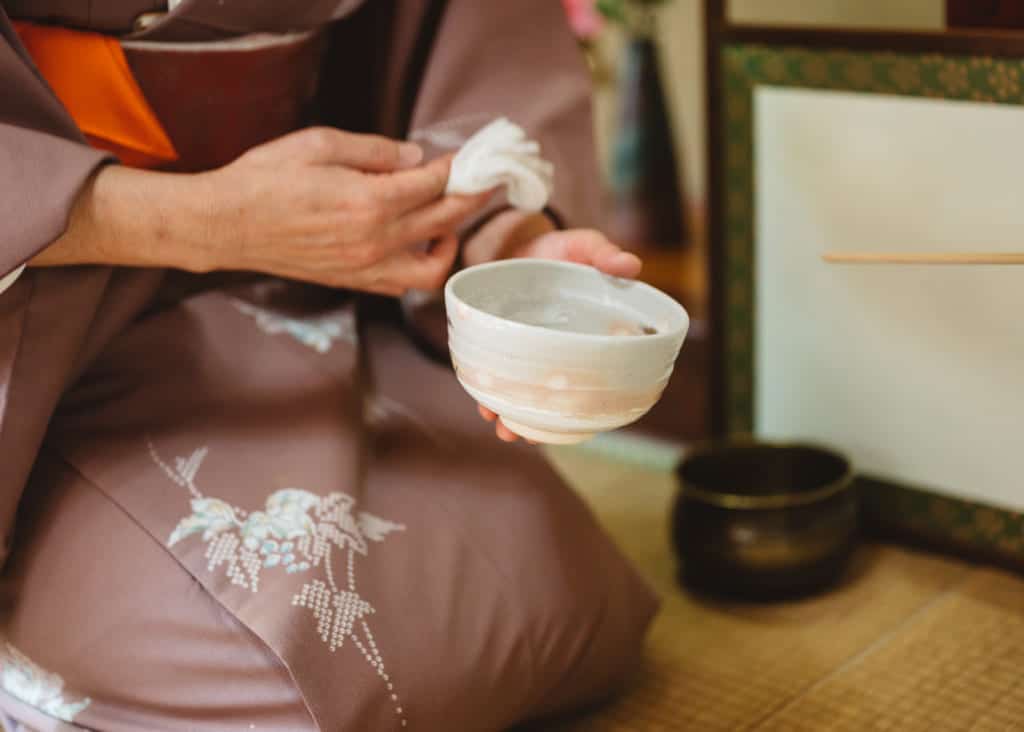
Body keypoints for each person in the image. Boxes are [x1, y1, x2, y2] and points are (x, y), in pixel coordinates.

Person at [0, 1, 659, 729]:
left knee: (563, 596)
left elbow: (466, 41)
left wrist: (504, 242)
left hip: (308, 285)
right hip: (51, 306)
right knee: (272, 678)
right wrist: (207, 218)